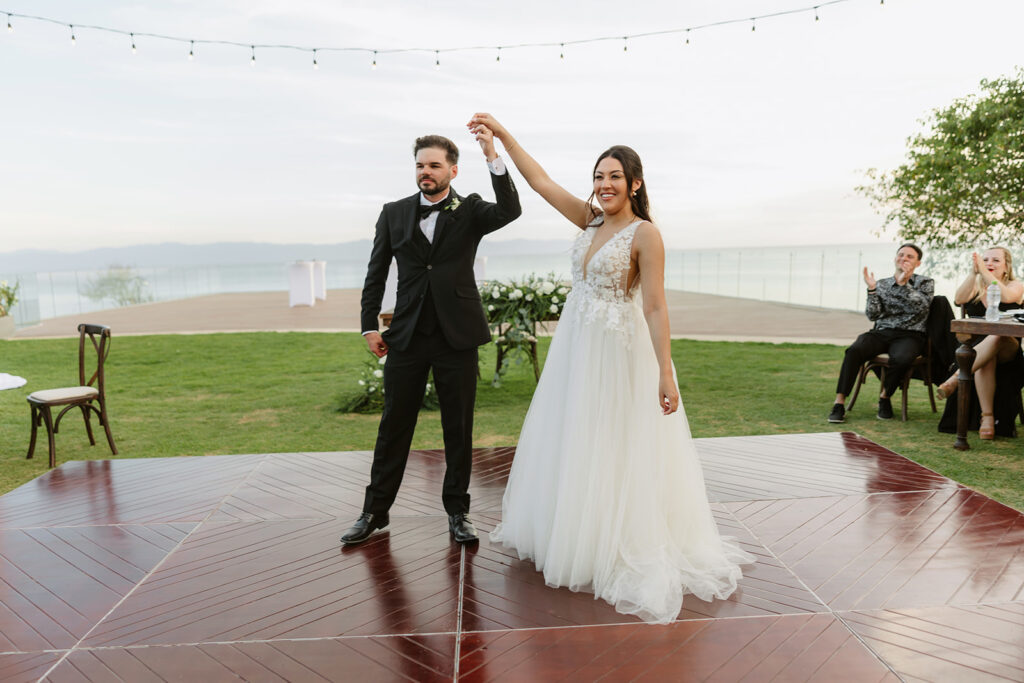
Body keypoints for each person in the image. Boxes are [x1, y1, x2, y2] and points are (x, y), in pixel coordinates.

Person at [466, 113, 752, 625]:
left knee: (616, 442)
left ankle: (621, 543)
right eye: (598, 177)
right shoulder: (590, 221)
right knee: (577, 438)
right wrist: (503, 137)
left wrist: (666, 372)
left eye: (614, 177)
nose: (604, 185)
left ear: (635, 183)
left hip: (619, 355)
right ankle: (578, 535)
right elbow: (539, 182)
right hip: (577, 351)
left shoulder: (646, 235)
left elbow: (657, 307)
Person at [341, 133, 522, 545]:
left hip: (456, 335)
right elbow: (377, 272)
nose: (426, 172)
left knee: (457, 427)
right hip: (405, 335)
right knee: (393, 425)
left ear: (452, 170)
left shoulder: (471, 209)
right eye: (421, 165)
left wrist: (493, 156)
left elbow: (511, 209)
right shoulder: (394, 213)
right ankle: (374, 511)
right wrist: (370, 324)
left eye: (435, 165)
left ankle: (458, 511)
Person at [828, 244, 934, 423]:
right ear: (895, 258)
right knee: (854, 350)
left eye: (909, 256)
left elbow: (922, 309)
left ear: (917, 263)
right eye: (901, 255)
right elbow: (872, 315)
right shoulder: (882, 284)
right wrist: (871, 290)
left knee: (901, 358)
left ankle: (885, 397)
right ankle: (839, 403)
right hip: (883, 331)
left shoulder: (925, 282)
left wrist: (905, 284)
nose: (904, 259)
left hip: (911, 334)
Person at [935, 247, 1024, 439]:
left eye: (995, 260)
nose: (989, 263)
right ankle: (988, 418)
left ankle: (955, 379)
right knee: (986, 357)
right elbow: (959, 299)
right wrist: (973, 274)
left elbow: (1007, 297)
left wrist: (984, 272)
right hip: (979, 348)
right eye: (985, 260)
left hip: (1009, 347)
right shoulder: (976, 286)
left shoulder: (1016, 285)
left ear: (1006, 266)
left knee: (997, 335)